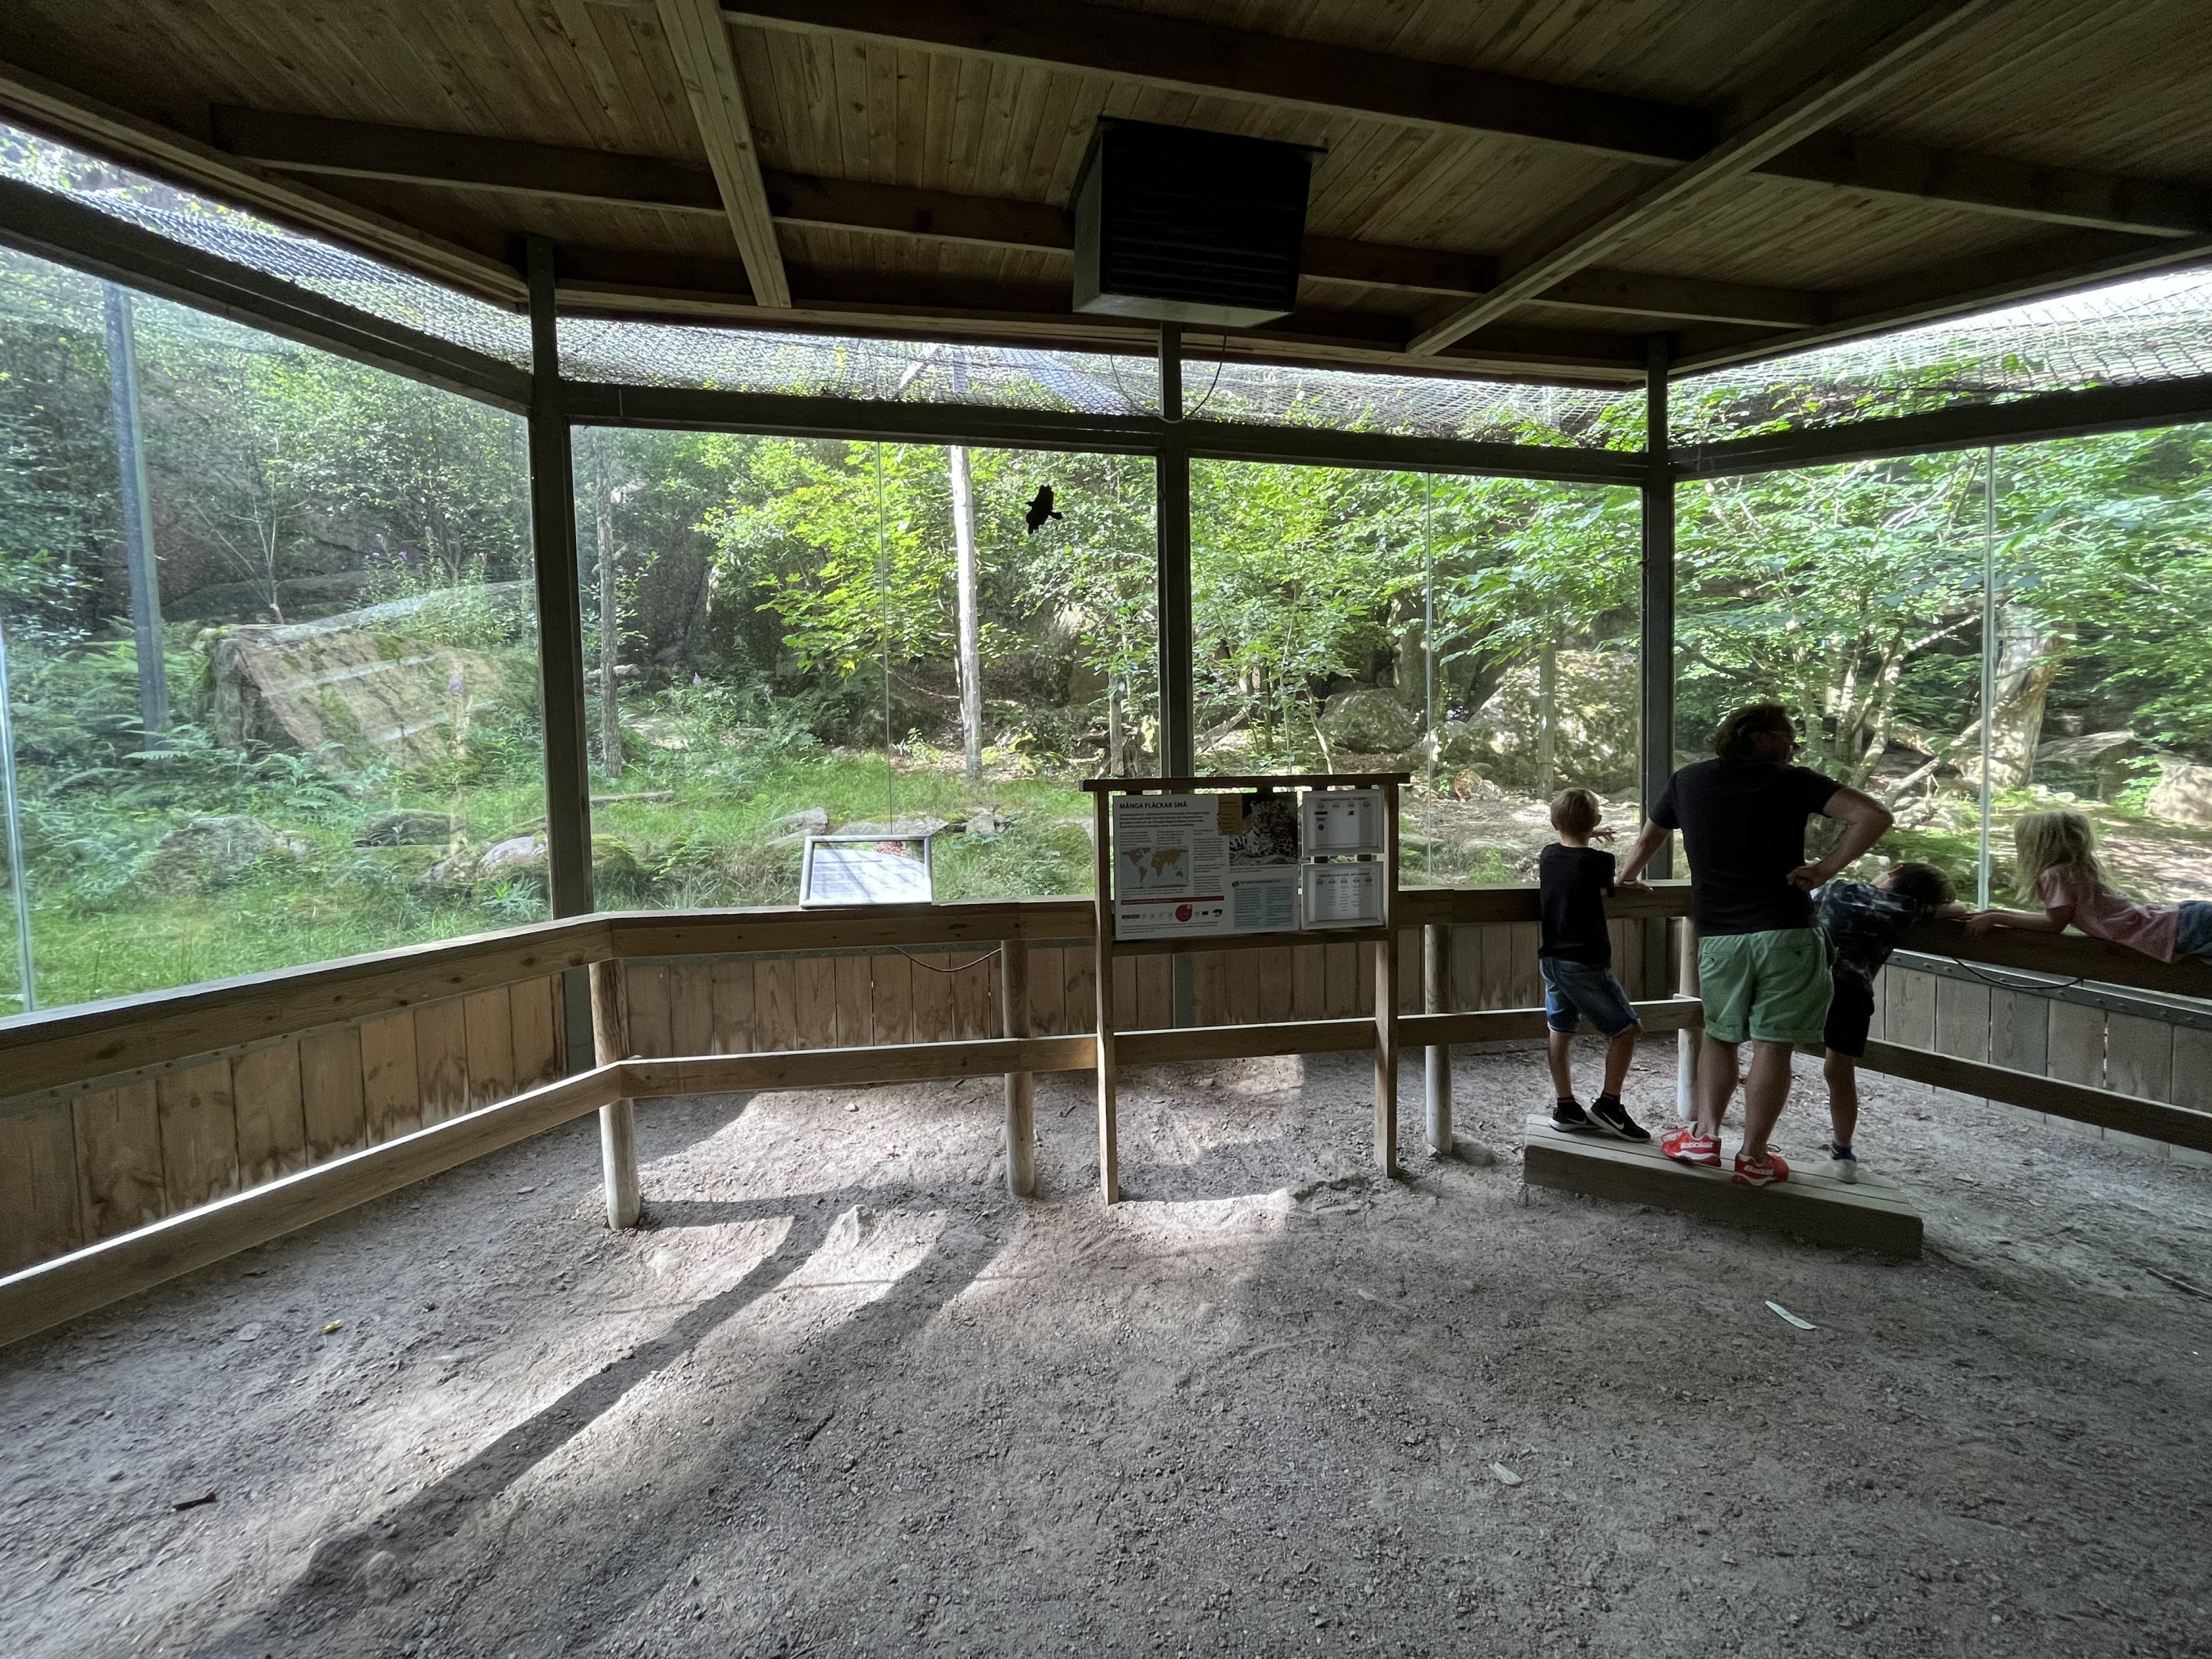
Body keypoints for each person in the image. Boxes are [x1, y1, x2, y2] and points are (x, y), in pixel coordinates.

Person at [1616, 703, 1895, 1187]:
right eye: (1788, 737)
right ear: (1760, 736)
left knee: (1721, 1036)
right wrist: (1824, 870)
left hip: (1721, 937)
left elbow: (1648, 840)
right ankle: (1754, 1159)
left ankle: (1704, 1139)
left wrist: (1625, 879)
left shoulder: (1688, 781)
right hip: (1788, 932)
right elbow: (1873, 816)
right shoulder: (1793, 782)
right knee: (1774, 1045)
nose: (1792, 748)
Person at [1815, 861, 1966, 1182]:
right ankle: (1843, 1153)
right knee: (1840, 1071)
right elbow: (1958, 909)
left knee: (1775, 1052)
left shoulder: (1837, 888)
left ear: (1895, 870)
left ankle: (1756, 1146)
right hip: (1853, 993)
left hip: (1808, 984)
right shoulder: (1907, 909)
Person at [1537, 787, 1648, 1141]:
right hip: (1585, 962)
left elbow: (1570, 853)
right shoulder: (1600, 862)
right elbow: (1608, 883)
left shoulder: (1548, 856)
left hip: (1552, 960)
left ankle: (1566, 1107)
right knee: (1627, 1029)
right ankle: (1609, 1105)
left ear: (1554, 824)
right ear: (1597, 821)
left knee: (1560, 1029)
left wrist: (1583, 830)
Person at [1966, 809, 2212, 962]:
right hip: (2183, 920)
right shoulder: (2076, 868)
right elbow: (2056, 918)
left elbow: (2054, 924)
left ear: (2039, 845)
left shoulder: (2055, 875)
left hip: (2177, 929)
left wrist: (1999, 917)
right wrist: (1998, 913)